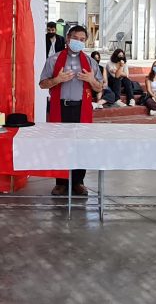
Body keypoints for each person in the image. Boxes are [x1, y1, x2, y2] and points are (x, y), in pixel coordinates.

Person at [39, 25, 103, 196]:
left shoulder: (90, 62)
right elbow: (42, 84)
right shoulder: (54, 60)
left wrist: (91, 79)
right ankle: (60, 182)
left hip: (81, 109)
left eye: (82, 40)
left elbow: (99, 87)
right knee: (59, 144)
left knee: (80, 145)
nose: (78, 42)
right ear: (68, 39)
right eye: (76, 38)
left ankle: (78, 182)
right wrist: (57, 79)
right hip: (60, 108)